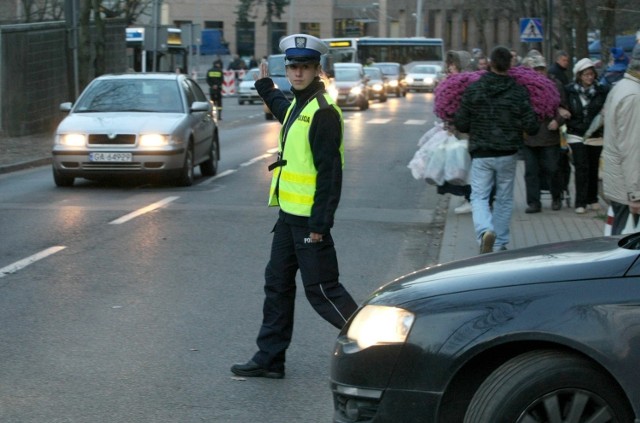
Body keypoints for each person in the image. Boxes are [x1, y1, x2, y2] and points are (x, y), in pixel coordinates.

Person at [230, 34, 358, 379]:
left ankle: (379, 348)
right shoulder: (300, 105)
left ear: (318, 69)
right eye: (292, 67)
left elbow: (331, 174)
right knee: (277, 284)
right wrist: (264, 87)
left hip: (309, 222)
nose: (297, 73)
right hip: (289, 218)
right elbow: (285, 111)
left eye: (304, 67)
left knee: (323, 292)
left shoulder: (323, 112)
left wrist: (320, 224)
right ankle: (270, 358)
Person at [454, 46, 540, 253]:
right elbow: (532, 126)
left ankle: (484, 232)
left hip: (481, 152)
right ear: (510, 65)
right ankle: (500, 242)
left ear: (490, 63)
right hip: (508, 153)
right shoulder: (519, 91)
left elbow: (462, 123)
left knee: (479, 196)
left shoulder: (475, 89)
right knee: (504, 197)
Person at [520, 54, 567, 213]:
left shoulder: (555, 84)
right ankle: (534, 202)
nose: (539, 72)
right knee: (530, 172)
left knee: (552, 169)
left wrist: (558, 121)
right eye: (536, 69)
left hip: (549, 135)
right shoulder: (524, 87)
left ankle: (556, 197)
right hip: (529, 136)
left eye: (541, 69)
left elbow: (564, 108)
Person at [602, 43, 640, 234]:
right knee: (625, 252)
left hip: (620, 186)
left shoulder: (621, 87)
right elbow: (632, 148)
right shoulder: (634, 96)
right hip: (629, 191)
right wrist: (636, 195)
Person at [564, 58, 609, 214]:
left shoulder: (602, 91)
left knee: (593, 167)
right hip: (576, 133)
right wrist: (562, 111)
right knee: (581, 166)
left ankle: (593, 198)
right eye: (586, 75)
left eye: (591, 74)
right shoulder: (570, 90)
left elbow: (607, 105)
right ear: (579, 76)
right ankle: (580, 202)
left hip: (595, 134)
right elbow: (562, 104)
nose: (589, 77)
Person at [437, 50, 473, 214]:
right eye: (449, 64)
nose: (450, 67)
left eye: (453, 64)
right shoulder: (450, 81)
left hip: (466, 132)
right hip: (456, 131)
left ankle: (471, 199)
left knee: (465, 166)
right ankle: (468, 197)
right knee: (459, 165)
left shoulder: (468, 82)